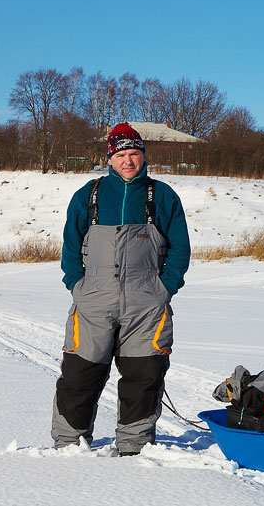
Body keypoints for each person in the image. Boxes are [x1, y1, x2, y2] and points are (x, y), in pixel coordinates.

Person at [52, 122, 191, 456]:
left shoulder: (162, 196)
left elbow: (180, 249)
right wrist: (77, 285)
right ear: (110, 159)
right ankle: (69, 445)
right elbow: (71, 246)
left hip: (146, 303)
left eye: (135, 154)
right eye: (122, 155)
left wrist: (164, 288)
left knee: (144, 377)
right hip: (93, 302)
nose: (129, 161)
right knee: (79, 376)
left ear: (143, 156)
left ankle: (135, 446)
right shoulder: (90, 195)